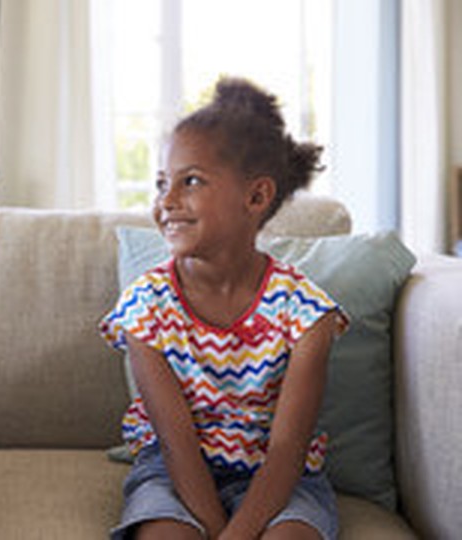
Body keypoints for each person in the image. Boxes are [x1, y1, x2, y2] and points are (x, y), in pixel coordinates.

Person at [98, 77, 348, 540]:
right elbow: (176, 445)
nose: (166, 202)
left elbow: (288, 448)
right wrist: (215, 529)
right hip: (175, 475)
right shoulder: (144, 309)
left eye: (190, 181)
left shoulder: (307, 312)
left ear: (256, 197)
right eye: (161, 184)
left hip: (280, 479)